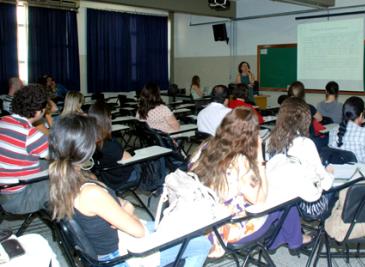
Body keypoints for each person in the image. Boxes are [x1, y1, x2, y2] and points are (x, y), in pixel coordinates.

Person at [49, 114, 211, 267]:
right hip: (120, 258)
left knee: (175, 227)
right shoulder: (91, 192)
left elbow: (124, 205)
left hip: (114, 244)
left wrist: (123, 209)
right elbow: (138, 230)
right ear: (86, 147)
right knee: (202, 244)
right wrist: (125, 209)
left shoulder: (65, 180)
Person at [191, 107, 304, 257]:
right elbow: (260, 201)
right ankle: (294, 242)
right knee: (285, 202)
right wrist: (259, 159)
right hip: (227, 228)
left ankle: (285, 240)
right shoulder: (239, 161)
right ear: (250, 136)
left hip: (201, 220)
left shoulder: (204, 147)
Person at [0, 84, 49, 214]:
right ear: (39, 111)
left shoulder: (3, 120)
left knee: (46, 165)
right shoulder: (31, 135)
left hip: (4, 187)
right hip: (18, 198)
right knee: (68, 180)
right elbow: (59, 156)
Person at [267, 97, 334, 188]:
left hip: (279, 196)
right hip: (300, 199)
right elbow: (325, 184)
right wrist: (330, 173)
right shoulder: (305, 144)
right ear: (306, 119)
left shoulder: (269, 139)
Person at [88, 102, 139, 186]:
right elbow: (129, 159)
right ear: (107, 120)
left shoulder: (86, 140)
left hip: (104, 176)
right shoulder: (109, 144)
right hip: (119, 178)